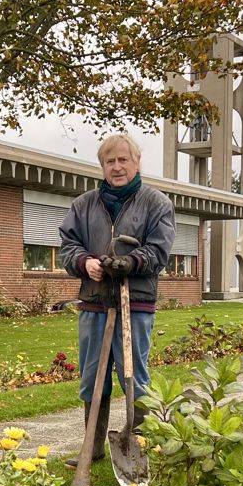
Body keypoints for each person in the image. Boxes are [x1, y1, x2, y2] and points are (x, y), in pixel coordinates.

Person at [58, 133, 176, 465]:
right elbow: (69, 247)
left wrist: (130, 263)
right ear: (102, 166)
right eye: (110, 161)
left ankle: (138, 444)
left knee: (133, 374)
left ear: (137, 163)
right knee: (92, 375)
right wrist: (86, 263)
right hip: (94, 304)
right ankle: (92, 447)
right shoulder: (83, 206)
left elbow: (159, 249)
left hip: (134, 305)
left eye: (123, 160)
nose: (117, 167)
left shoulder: (156, 203)